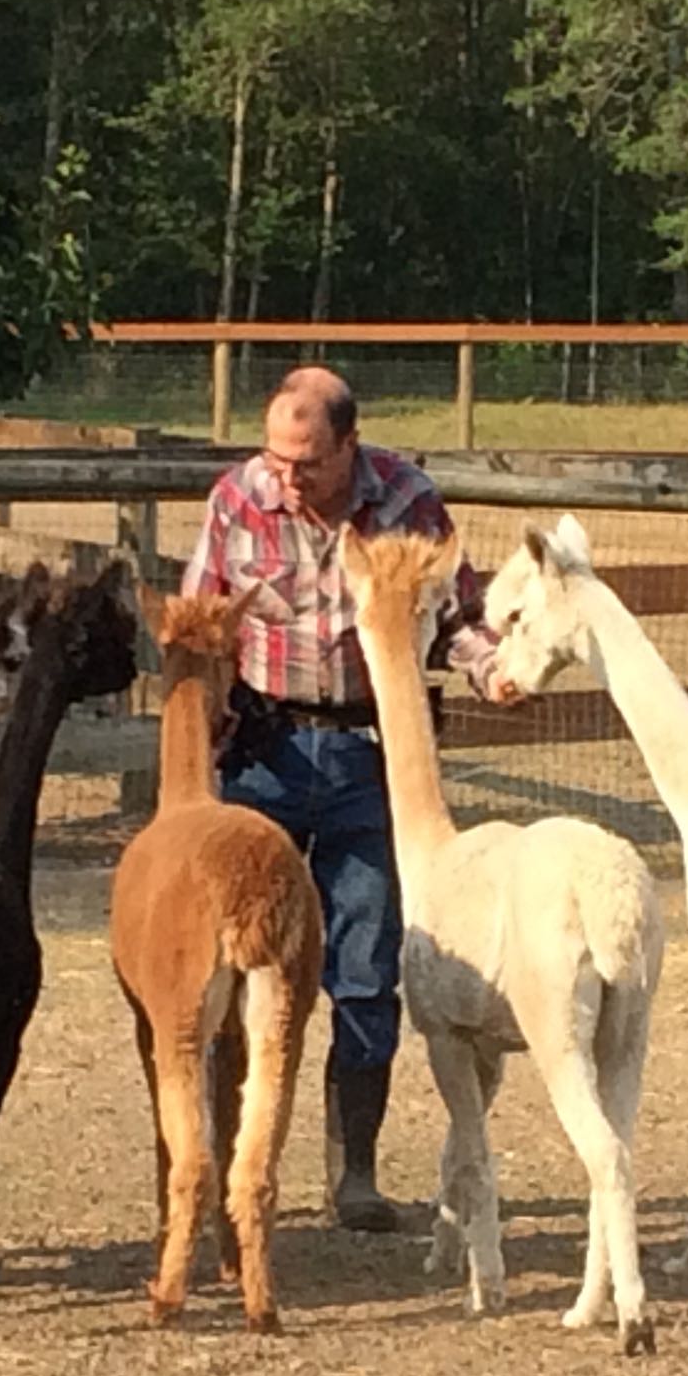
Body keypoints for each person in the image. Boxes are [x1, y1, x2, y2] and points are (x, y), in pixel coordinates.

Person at [182, 364, 508, 1230]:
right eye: (278, 459)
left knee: (366, 965)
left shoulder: (409, 503)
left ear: (350, 446)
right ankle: (228, 1164)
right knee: (237, 962)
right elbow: (202, 616)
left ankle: (352, 1173)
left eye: (308, 463)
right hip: (264, 750)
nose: (289, 479)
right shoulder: (237, 501)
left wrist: (495, 668)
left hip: (371, 753)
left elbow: (458, 618)